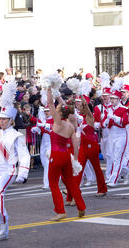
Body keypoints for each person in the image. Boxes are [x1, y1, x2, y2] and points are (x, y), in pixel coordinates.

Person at [0, 81, 31, 240]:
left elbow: (24, 155)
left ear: (11, 120)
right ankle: (2, 229)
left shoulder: (17, 135)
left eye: (5, 119)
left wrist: (23, 173)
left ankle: (4, 220)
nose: (2, 121)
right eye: (0, 119)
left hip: (9, 169)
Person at [46, 88, 86, 221]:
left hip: (56, 155)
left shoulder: (58, 121)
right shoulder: (70, 125)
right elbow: (75, 145)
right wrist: (74, 160)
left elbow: (50, 103)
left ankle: (60, 211)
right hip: (66, 156)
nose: (54, 109)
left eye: (57, 109)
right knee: (71, 182)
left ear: (59, 112)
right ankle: (81, 206)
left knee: (53, 184)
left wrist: (48, 88)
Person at [74, 97, 107, 197]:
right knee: (78, 168)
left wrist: (81, 94)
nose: (79, 108)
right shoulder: (81, 118)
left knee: (96, 168)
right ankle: (73, 189)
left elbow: (87, 109)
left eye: (81, 106)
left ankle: (102, 189)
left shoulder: (90, 117)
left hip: (91, 145)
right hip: (83, 145)